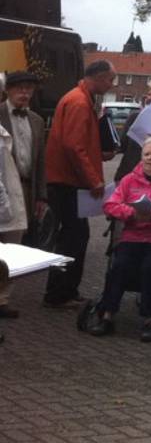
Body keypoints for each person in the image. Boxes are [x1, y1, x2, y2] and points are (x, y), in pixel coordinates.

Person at [88, 137, 151, 340]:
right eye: (146, 154)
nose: (149, 159)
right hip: (133, 234)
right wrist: (130, 213)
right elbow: (110, 205)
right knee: (119, 265)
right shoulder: (130, 179)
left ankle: (150, 317)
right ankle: (107, 314)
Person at [44, 60, 116, 308]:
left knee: (72, 236)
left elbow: (77, 144)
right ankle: (59, 294)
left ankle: (62, 291)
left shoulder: (78, 99)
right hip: (69, 183)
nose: (111, 85)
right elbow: (74, 147)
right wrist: (93, 180)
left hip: (66, 180)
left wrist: (99, 155)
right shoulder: (79, 102)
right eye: (110, 79)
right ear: (98, 77)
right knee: (73, 238)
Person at [0, 70, 48, 249]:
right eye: (20, 89)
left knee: (15, 244)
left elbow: (41, 161)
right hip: (2, 189)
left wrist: (41, 195)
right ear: (8, 90)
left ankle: (8, 277)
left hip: (26, 190)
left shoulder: (37, 121)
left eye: (29, 89)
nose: (25, 94)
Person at [0, 89, 28, 318]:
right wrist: (5, 208)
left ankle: (2, 299)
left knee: (10, 254)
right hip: (5, 203)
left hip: (13, 197)